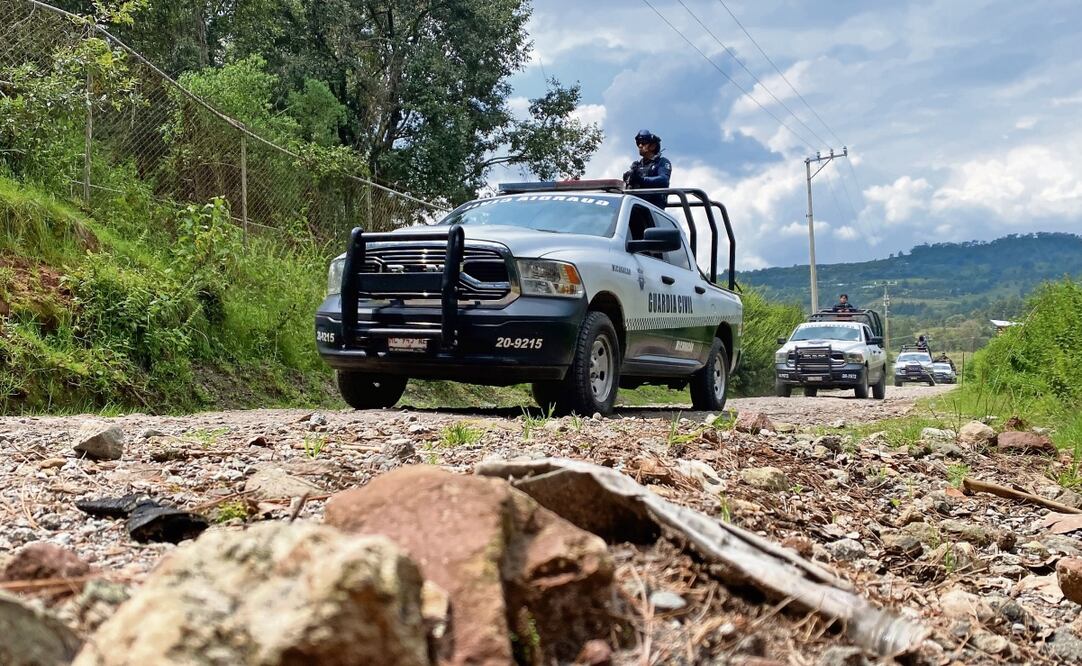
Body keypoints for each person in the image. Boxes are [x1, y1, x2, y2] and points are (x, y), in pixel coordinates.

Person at [623, 129, 672, 208]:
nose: (640, 145)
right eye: (638, 143)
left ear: (653, 146)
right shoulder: (637, 165)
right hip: (636, 206)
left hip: (653, 209)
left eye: (643, 142)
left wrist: (642, 180)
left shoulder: (662, 162)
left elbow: (664, 180)